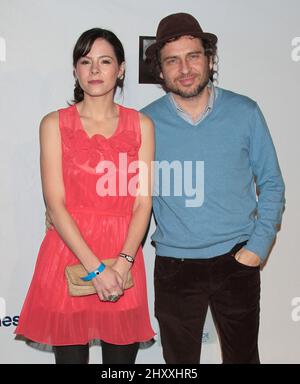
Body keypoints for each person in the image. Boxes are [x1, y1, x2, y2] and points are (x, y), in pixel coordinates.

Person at [141, 12, 285, 364]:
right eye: (172, 60)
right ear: (160, 70)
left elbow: (272, 184)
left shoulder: (245, 112)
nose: (185, 68)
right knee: (179, 365)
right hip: (175, 265)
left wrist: (257, 248)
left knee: (243, 359)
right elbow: (128, 192)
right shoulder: (144, 122)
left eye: (193, 56)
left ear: (209, 59)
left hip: (236, 260)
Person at [15, 28, 155, 364]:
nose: (95, 70)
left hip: (124, 258)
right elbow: (56, 205)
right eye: (86, 61)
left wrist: (122, 264)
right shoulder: (53, 125)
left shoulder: (142, 126)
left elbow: (143, 201)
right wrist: (96, 271)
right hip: (68, 253)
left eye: (105, 61)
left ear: (120, 69)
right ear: (76, 70)